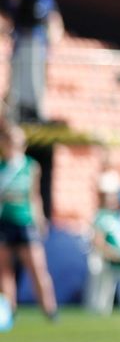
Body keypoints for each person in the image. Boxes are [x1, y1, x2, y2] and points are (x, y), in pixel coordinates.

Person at [0, 121, 58, 321]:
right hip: (4, 222)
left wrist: (39, 219)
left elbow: (34, 196)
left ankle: (49, 309)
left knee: (37, 266)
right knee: (4, 270)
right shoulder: (2, 168)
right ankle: (9, 310)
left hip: (25, 221)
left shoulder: (30, 166)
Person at [3, 0, 64, 125]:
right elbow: (11, 15)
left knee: (36, 82)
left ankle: (36, 112)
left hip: (38, 47)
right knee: (18, 82)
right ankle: (16, 112)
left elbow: (55, 25)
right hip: (20, 47)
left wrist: (52, 41)